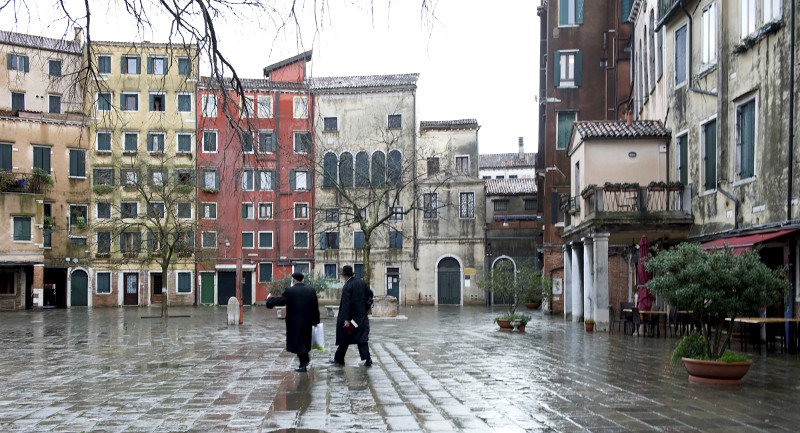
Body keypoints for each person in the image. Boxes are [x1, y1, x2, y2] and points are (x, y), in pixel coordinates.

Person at [266, 272, 320, 372]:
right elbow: (315, 308)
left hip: (294, 323)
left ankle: (303, 363)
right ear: (303, 280)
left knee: (298, 343)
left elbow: (281, 301)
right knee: (304, 342)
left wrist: (269, 299)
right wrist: (316, 321)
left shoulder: (290, 290)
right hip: (308, 321)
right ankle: (304, 362)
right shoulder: (311, 290)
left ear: (293, 280)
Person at [330, 265, 374, 367]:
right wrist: (365, 309)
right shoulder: (362, 283)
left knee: (344, 337)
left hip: (350, 319)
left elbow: (346, 304)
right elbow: (370, 295)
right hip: (361, 317)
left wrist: (346, 319)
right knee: (362, 339)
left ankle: (339, 359)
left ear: (345, 275)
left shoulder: (347, 286)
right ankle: (368, 359)